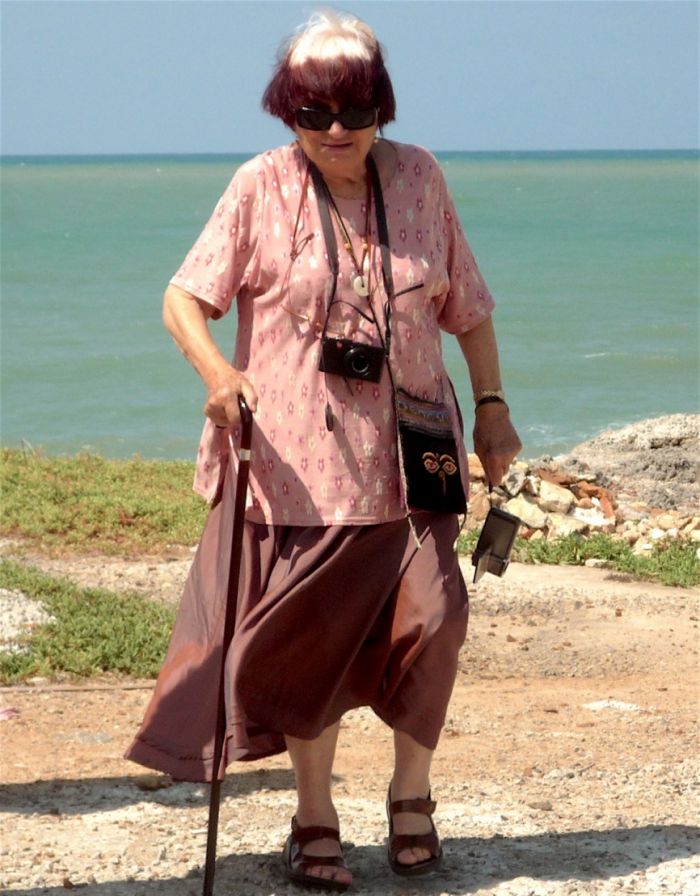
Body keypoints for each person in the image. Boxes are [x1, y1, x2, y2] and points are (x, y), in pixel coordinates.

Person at [126, 9, 521, 891]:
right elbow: (184, 299)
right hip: (299, 467)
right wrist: (217, 375)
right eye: (315, 114)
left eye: (356, 111)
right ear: (288, 112)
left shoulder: (420, 178)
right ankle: (314, 815)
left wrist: (493, 409)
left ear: (383, 106)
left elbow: (469, 307)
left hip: (415, 457)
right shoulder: (260, 186)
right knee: (314, 646)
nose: (337, 131)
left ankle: (411, 792)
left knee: (436, 619)